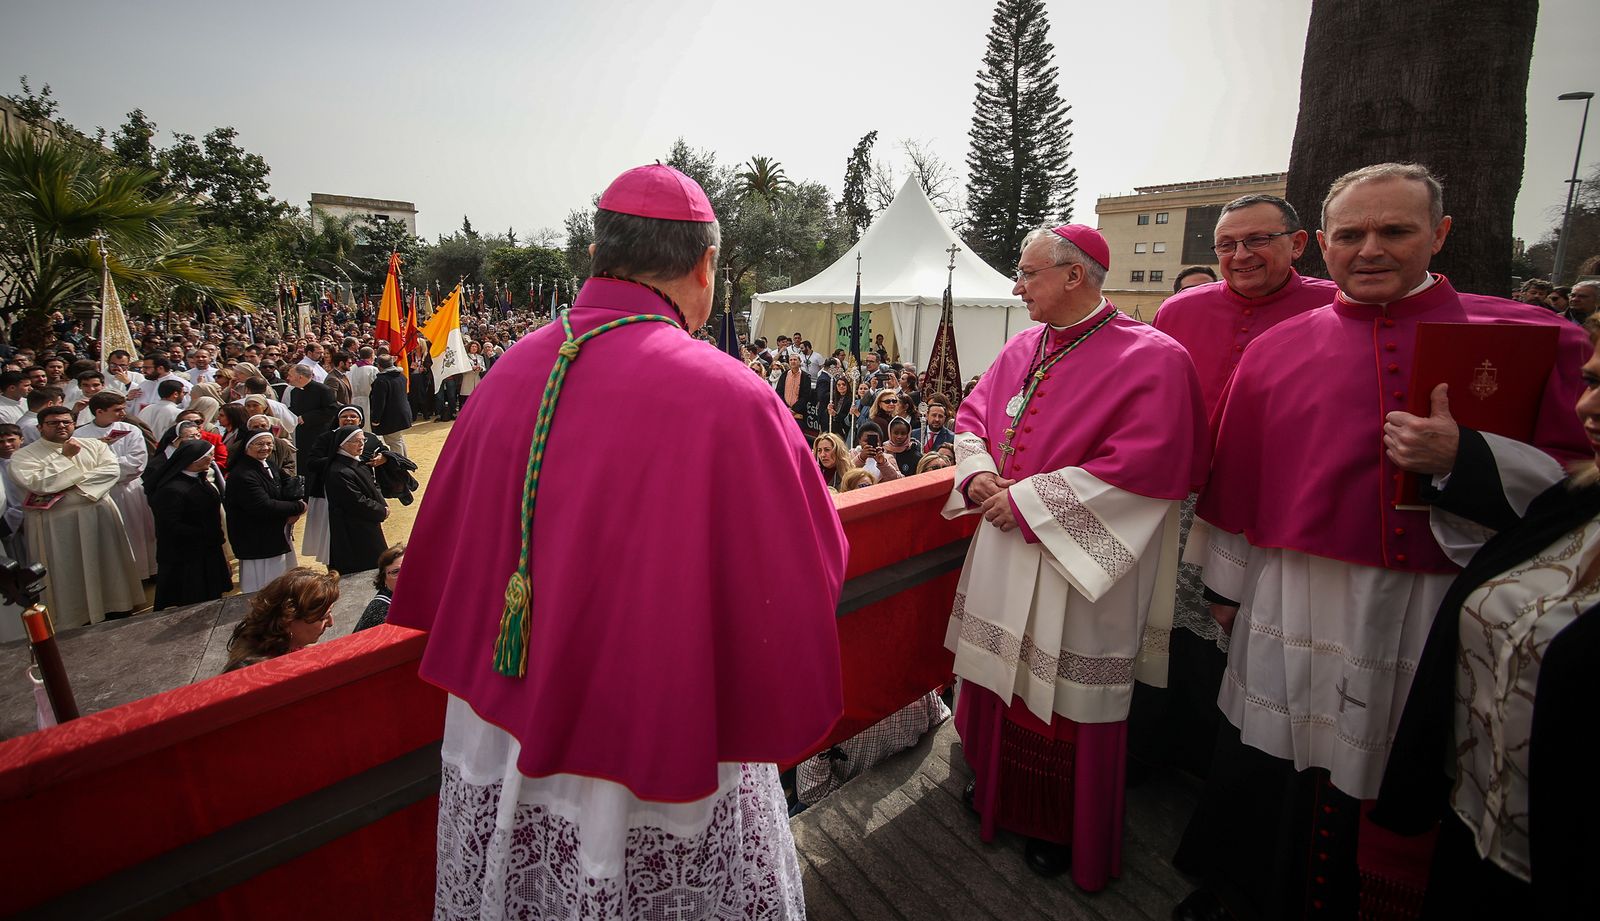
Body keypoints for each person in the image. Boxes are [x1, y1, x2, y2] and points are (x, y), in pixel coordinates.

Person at [386, 163, 845, 920]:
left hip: (504, 724)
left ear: (600, 254)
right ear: (704, 267)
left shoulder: (507, 371)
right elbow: (810, 569)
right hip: (658, 733)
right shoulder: (731, 396)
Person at [1172, 163, 1589, 921]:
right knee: (1271, 750)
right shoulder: (1276, 349)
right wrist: (1225, 589)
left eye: (1394, 230)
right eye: (1352, 234)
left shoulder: (1531, 340)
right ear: (1323, 246)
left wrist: (1466, 462)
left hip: (1431, 599)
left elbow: (1577, 490)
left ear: (1440, 233)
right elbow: (1238, 482)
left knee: (1398, 761)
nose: (1371, 249)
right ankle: (1255, 893)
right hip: (1294, 586)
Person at [943, 223, 1207, 889]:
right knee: (997, 675)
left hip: (1080, 562)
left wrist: (1031, 503)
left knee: (1065, 697)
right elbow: (973, 416)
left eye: (1029, 272)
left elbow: (1152, 464)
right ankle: (996, 791)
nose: (1017, 284)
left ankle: (1059, 826)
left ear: (1074, 275)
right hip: (1006, 548)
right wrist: (976, 475)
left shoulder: (1156, 357)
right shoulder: (1024, 343)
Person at [1128, 196, 1341, 785]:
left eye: (1258, 240)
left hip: (1274, 510)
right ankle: (1146, 750)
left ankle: (1214, 766)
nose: (1240, 255)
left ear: (1299, 244)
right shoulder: (1179, 310)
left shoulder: (1334, 308)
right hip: (1178, 498)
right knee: (1159, 624)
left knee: (1239, 636)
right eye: (1227, 245)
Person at [8, 405, 146, 627]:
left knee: (106, 566)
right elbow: (39, 484)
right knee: (68, 572)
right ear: (40, 427)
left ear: (74, 423)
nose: (61, 426)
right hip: (57, 524)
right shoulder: (23, 456)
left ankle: (116, 607)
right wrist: (66, 458)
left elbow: (110, 471)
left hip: (98, 516)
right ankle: (76, 616)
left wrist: (67, 487)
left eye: (66, 422)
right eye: (53, 423)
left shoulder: (95, 445)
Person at [75, 392, 157, 581]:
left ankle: (144, 573)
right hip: (101, 493)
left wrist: (103, 465)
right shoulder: (80, 435)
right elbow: (81, 468)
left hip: (129, 490)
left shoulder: (130, 430)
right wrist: (105, 463)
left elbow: (136, 463)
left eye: (123, 408)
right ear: (99, 411)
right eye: (117, 409)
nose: (123, 412)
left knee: (137, 532)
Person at [148, 440, 231, 609]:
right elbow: (170, 525)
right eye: (208, 455)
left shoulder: (200, 479)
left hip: (208, 549)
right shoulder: (172, 489)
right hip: (187, 557)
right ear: (194, 460)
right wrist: (203, 533)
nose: (212, 458)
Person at [225, 431, 305, 593]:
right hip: (256, 538)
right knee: (262, 586)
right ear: (247, 447)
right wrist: (299, 507)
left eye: (269, 444)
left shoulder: (268, 465)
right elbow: (262, 505)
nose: (266, 448)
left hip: (273, 533)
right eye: (260, 444)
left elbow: (283, 487)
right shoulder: (242, 474)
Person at [223, 567, 340, 672]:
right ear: (288, 620)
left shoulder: (289, 648)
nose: (331, 623)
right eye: (323, 618)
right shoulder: (258, 672)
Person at [322, 426, 389, 574]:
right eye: (356, 441)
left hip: (367, 521)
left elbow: (373, 486)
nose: (361, 444)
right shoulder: (338, 471)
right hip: (353, 529)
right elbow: (356, 502)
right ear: (342, 444)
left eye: (362, 440)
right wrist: (380, 510)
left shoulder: (355, 462)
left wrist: (382, 505)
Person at [368, 354, 413, 458]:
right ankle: (404, 461)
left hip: (390, 416)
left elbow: (379, 402)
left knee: (394, 442)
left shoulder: (381, 380)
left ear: (379, 365)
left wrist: (375, 419)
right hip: (402, 413)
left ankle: (399, 466)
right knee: (398, 440)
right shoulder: (401, 376)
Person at [354, 543, 405, 632]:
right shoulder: (382, 613)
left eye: (407, 568)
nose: (404, 575)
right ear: (384, 578)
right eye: (395, 572)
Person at [775, 352, 813, 432]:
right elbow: (778, 393)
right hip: (784, 412)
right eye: (791, 360)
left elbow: (805, 396)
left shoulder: (806, 377)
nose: (793, 361)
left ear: (800, 362)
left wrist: (793, 410)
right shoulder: (784, 375)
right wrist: (785, 408)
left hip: (798, 414)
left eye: (795, 360)